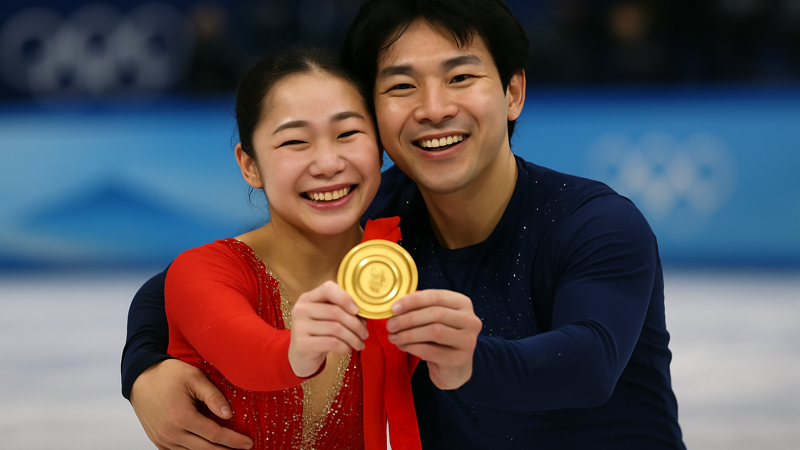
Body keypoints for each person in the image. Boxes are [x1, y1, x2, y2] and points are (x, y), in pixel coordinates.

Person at [122, 0, 686, 449]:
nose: (434, 107)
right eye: (400, 86)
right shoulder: (379, 213)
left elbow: (589, 365)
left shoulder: (595, 224)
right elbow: (190, 281)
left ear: (513, 92)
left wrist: (471, 359)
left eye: (460, 77)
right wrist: (146, 371)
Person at [142, 46, 422, 450]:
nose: (328, 163)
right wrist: (297, 349)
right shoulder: (202, 271)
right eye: (295, 141)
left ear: (378, 147)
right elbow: (246, 353)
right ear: (250, 165)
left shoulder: (406, 268)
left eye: (347, 134)